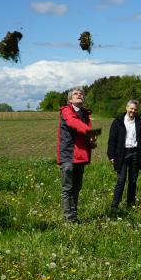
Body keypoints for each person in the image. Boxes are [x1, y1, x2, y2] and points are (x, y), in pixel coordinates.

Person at [57, 86, 95, 223]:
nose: (79, 95)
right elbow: (74, 123)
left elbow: (85, 133)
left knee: (77, 188)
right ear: (70, 99)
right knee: (68, 188)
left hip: (81, 156)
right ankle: (69, 219)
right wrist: (90, 132)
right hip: (68, 155)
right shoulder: (66, 111)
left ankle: (74, 216)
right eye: (75, 94)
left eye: (81, 94)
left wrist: (91, 141)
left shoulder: (85, 114)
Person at [107, 99, 141, 212]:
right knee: (121, 179)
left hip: (135, 153)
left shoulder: (139, 122)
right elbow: (112, 140)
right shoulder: (118, 122)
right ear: (126, 108)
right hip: (122, 154)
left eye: (135, 109)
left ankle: (130, 203)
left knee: (133, 180)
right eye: (131, 108)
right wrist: (111, 156)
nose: (133, 111)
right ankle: (114, 205)